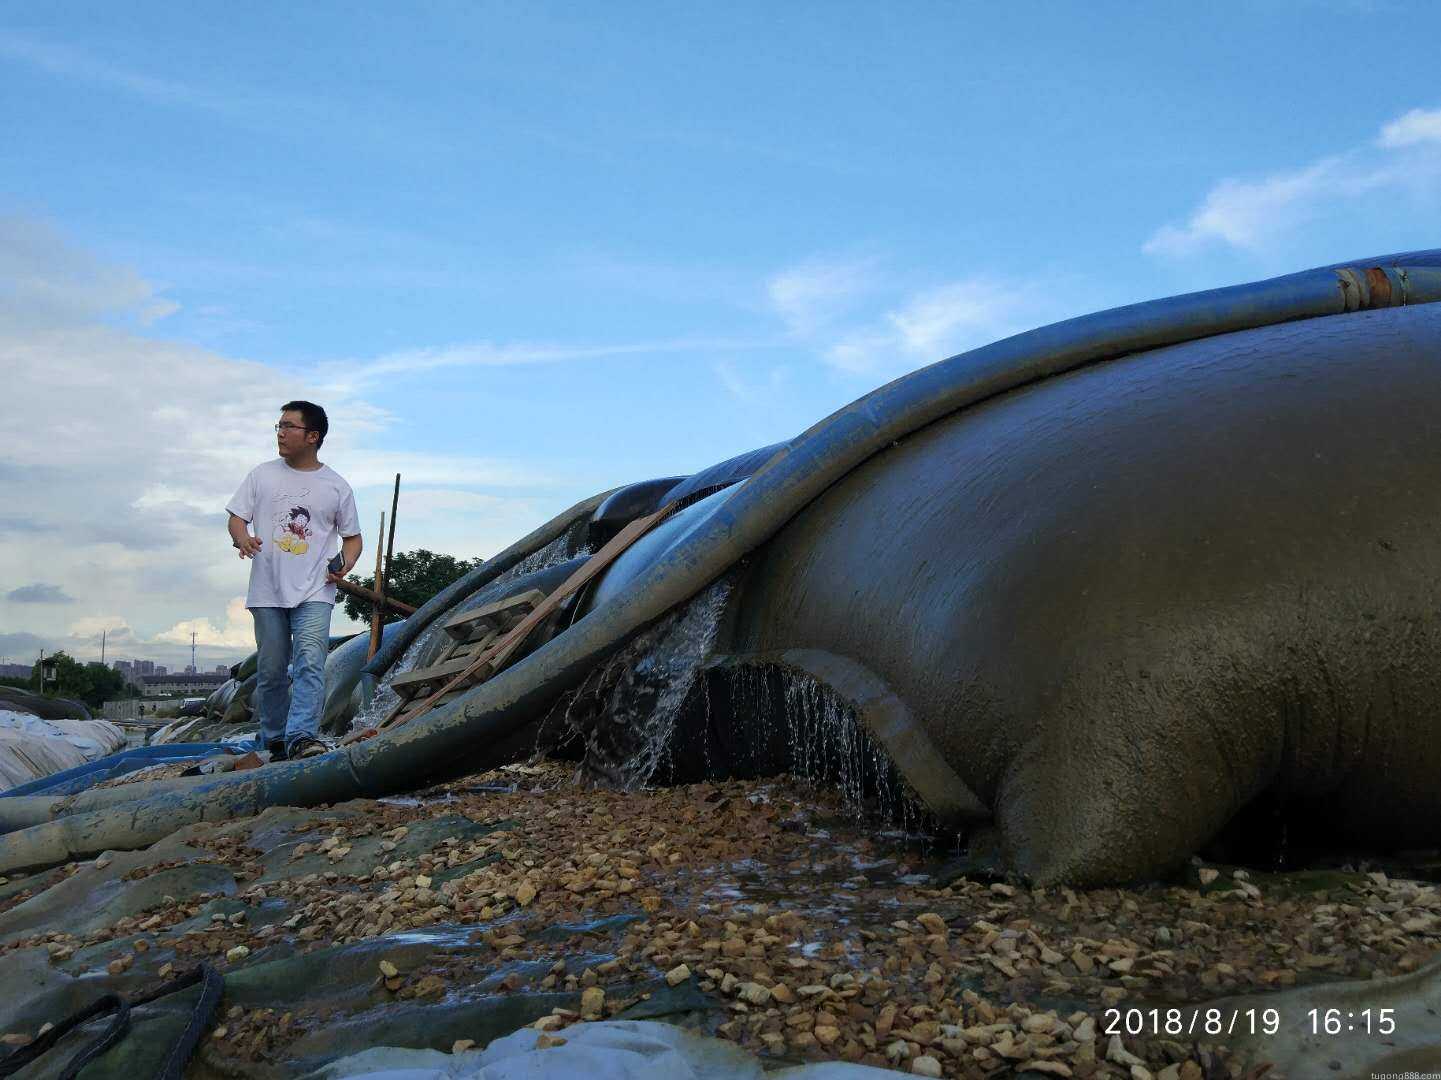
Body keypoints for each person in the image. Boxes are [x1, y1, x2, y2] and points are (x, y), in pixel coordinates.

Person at [225, 401, 362, 760]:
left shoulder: (336, 486)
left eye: (289, 426)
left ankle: (301, 736)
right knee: (270, 670)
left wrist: (344, 564)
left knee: (310, 663)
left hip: (316, 588)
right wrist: (242, 539)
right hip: (267, 588)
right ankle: (273, 738)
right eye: (279, 426)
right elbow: (237, 519)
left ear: (312, 436)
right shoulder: (262, 475)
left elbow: (353, 538)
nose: (281, 433)